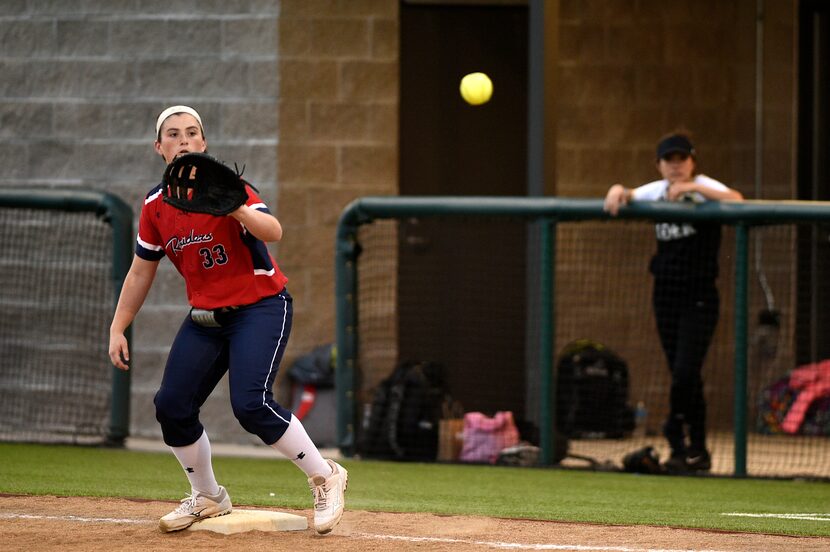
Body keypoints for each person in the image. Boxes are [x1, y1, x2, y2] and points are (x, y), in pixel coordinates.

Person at [108, 105, 347, 533]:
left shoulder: (228, 188)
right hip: (205, 316)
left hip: (260, 307)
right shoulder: (154, 205)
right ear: (158, 147)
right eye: (173, 134)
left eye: (192, 133)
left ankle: (326, 476)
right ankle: (208, 496)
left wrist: (236, 208)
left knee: (250, 404)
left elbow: (273, 232)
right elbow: (141, 269)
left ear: (203, 144)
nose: (183, 140)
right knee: (172, 405)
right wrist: (118, 324)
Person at [603, 132, 744, 474]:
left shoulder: (704, 185)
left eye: (682, 159)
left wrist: (696, 190)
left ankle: (674, 431)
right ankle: (693, 449)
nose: (676, 165)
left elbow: (738, 201)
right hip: (665, 295)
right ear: (660, 164)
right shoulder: (656, 189)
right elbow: (628, 193)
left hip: (699, 295)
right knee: (684, 375)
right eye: (669, 160)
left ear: (693, 161)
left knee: (684, 371)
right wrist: (617, 189)